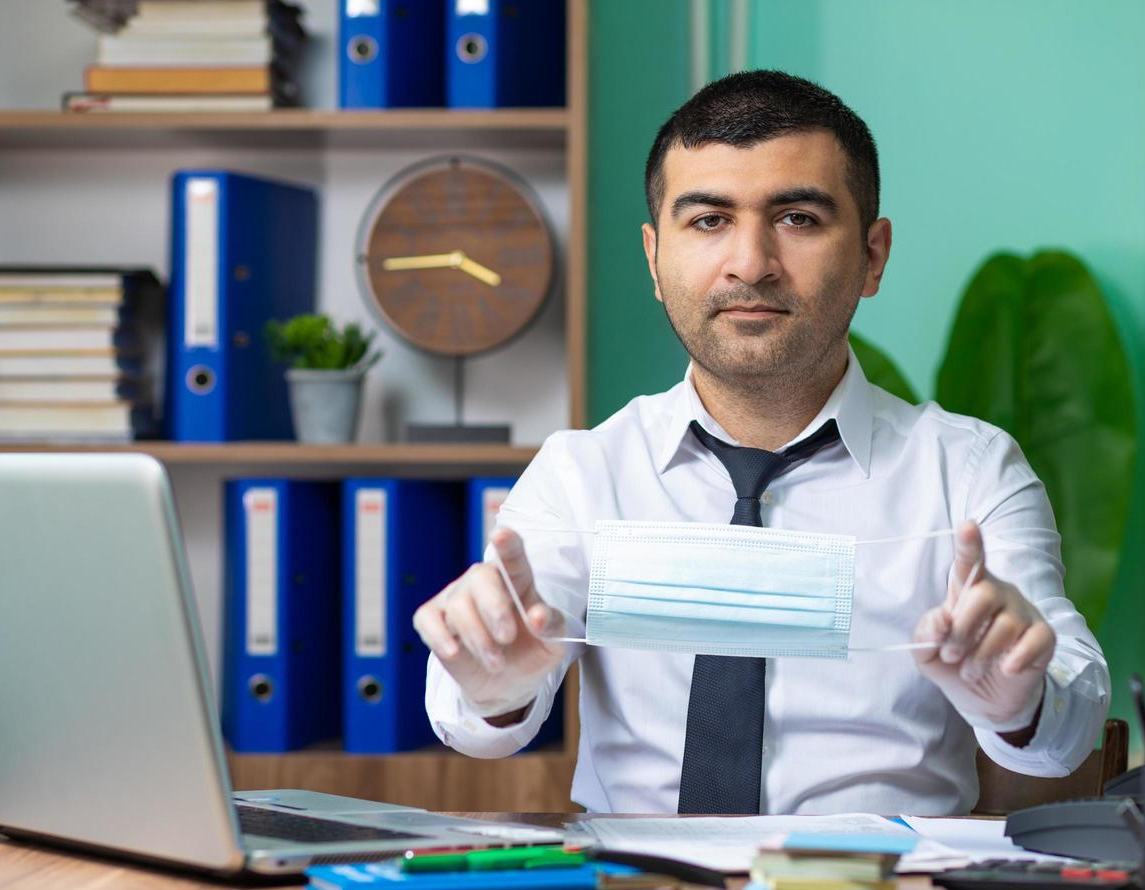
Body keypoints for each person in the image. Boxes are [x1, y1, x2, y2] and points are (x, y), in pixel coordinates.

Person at [415, 69, 1109, 815]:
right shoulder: (583, 474)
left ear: (873, 256)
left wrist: (1022, 700)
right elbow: (471, 723)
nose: (750, 262)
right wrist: (492, 691)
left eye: (798, 219)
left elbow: (1070, 724)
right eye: (708, 220)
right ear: (654, 258)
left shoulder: (968, 472)